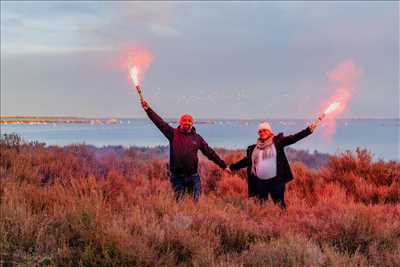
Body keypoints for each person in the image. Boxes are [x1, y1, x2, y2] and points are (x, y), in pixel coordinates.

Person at [140, 99, 229, 201]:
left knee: (196, 202)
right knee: (180, 203)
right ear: (180, 122)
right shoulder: (172, 134)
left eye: (189, 121)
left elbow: (210, 153)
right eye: (184, 120)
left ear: (192, 124)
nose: (187, 122)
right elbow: (159, 122)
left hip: (193, 177)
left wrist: (223, 165)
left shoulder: (197, 138)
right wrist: (148, 109)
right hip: (177, 178)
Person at [228, 121, 317, 209]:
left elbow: (293, 138)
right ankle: (262, 223)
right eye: (260, 131)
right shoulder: (254, 148)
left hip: (276, 181)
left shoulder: (278, 142)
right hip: (260, 182)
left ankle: (283, 222)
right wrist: (231, 167)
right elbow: (247, 161)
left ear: (269, 131)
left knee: (280, 206)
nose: (262, 133)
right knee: (260, 207)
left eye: (264, 130)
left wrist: (308, 130)